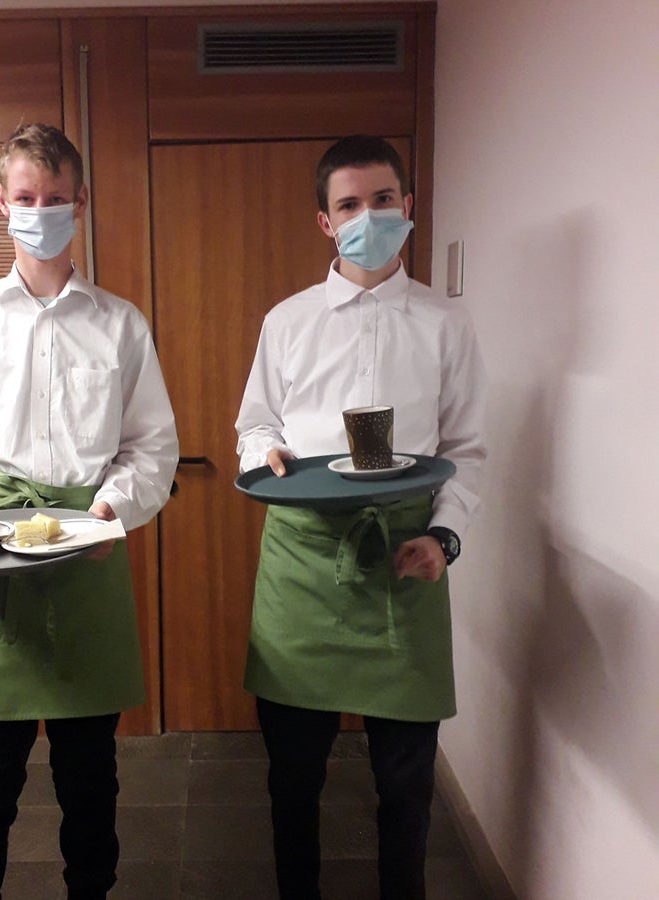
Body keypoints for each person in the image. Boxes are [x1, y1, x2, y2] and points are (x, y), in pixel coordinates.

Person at [0, 123, 178, 900]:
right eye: (26, 197)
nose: (40, 211)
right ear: (1, 201)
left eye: (55, 198)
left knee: (91, 781)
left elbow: (152, 447)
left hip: (86, 550)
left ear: (80, 203)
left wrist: (111, 509)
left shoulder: (120, 323)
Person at [235, 134, 486, 900]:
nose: (367, 216)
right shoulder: (288, 321)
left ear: (407, 206)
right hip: (303, 560)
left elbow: (467, 449)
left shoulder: (445, 323)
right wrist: (266, 451)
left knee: (406, 786)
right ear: (325, 221)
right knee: (293, 779)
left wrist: (444, 537)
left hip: (406, 557)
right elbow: (254, 425)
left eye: (382, 200)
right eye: (349, 204)